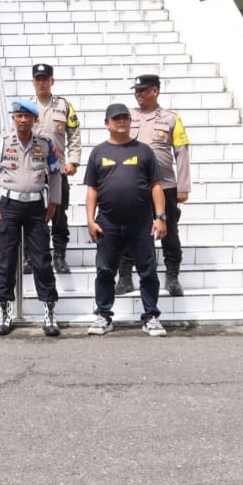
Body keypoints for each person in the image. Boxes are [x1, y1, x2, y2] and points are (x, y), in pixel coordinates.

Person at [0, 99, 63, 337]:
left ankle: (49, 311)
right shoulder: (2, 144)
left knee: (42, 260)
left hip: (36, 206)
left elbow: (56, 174)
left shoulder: (45, 144)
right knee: (7, 260)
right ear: (13, 119)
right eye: (18, 116)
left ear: (34, 119)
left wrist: (54, 201)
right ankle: (5, 311)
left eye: (27, 116)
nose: (23, 120)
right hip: (9, 207)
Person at [84, 102, 168, 337]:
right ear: (106, 123)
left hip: (140, 222)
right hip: (108, 223)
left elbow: (156, 186)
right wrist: (90, 220)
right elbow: (92, 190)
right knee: (104, 272)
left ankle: (151, 316)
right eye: (116, 118)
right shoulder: (98, 152)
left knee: (147, 271)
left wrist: (160, 217)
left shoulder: (144, 151)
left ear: (130, 122)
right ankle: (103, 315)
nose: (121, 121)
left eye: (125, 117)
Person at [115, 74, 192, 297]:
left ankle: (173, 276)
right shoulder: (126, 117)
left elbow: (182, 151)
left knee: (169, 232)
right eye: (136, 91)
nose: (138, 95)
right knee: (128, 231)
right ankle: (125, 276)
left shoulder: (171, 119)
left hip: (165, 185)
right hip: (133, 185)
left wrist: (183, 186)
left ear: (155, 91)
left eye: (142, 90)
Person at [30, 64, 81, 275]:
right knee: (32, 214)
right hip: (32, 170)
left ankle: (59, 256)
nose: (41, 82)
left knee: (59, 214)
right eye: (38, 79)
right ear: (33, 82)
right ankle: (30, 257)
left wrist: (74, 161)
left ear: (52, 81)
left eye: (45, 79)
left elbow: (74, 134)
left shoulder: (64, 105)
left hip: (57, 171)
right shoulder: (27, 106)